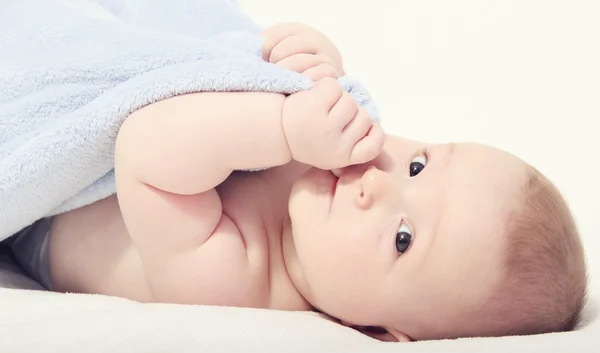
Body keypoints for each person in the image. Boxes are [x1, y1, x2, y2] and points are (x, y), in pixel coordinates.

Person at [5, 23, 587, 342]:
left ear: (378, 331)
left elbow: (146, 147)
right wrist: (310, 63)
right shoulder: (329, 167)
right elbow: (235, 68)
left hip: (52, 210)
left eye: (403, 238)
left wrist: (284, 126)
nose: (378, 184)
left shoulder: (239, 284)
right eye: (419, 166)